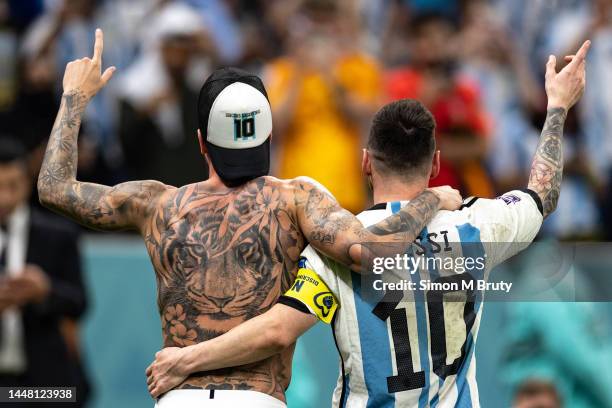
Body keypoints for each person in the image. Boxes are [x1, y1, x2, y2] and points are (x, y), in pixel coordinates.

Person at [146, 41, 591, 407]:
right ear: (436, 164)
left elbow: (278, 329)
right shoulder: (480, 227)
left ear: (365, 163)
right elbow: (543, 193)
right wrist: (558, 107)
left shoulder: (335, 249)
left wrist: (187, 360)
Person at [36, 29, 462, 408]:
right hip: (257, 399)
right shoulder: (297, 199)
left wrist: (74, 98)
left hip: (177, 396)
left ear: (201, 142)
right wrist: (428, 199)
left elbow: (55, 189)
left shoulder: (154, 204)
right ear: (268, 135)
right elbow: (375, 251)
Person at [0, 138, 90, 406]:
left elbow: (80, 302)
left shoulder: (57, 235)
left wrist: (44, 290)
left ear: (28, 183)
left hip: (42, 383)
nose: (4, 197)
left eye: (12, 186)